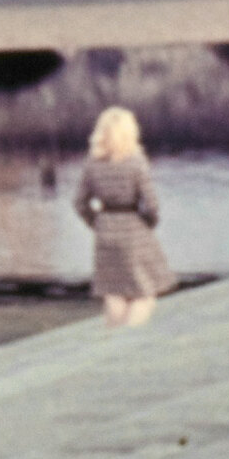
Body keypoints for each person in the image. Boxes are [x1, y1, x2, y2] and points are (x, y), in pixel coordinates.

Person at [75, 105, 174, 328]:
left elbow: (79, 202)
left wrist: (96, 222)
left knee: (114, 291)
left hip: (105, 231)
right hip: (133, 230)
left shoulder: (92, 164)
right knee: (145, 294)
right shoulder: (136, 162)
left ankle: (113, 339)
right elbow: (151, 204)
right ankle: (128, 337)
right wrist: (149, 223)